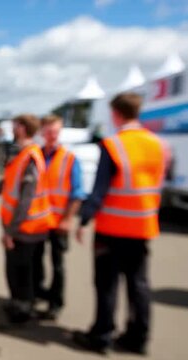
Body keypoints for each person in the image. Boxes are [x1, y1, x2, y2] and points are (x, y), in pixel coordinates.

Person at [73, 92, 164, 355]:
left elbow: (99, 189)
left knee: (107, 285)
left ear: (116, 114)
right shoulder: (156, 144)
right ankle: (138, 337)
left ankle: (101, 335)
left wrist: (84, 219)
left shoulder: (113, 145)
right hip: (143, 227)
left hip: (112, 229)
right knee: (139, 285)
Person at [0, 114, 53, 324]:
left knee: (20, 271)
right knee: (18, 270)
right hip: (23, 226)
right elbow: (8, 182)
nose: (12, 128)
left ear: (22, 128)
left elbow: (26, 200)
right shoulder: (22, 155)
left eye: (15, 125)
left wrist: (11, 232)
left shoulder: (29, 157)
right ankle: (18, 303)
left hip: (26, 228)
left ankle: (21, 312)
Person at [33, 115, 85, 320]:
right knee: (35, 261)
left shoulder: (69, 158)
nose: (51, 136)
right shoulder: (36, 156)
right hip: (38, 221)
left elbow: (77, 193)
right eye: (48, 132)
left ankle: (55, 303)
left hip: (58, 222)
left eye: (55, 132)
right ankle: (37, 294)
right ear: (42, 133)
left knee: (58, 265)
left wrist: (67, 219)